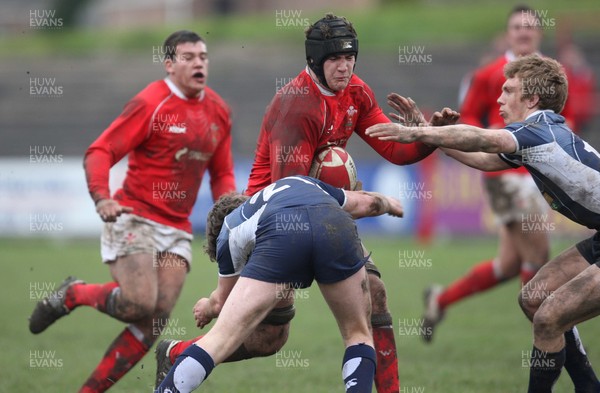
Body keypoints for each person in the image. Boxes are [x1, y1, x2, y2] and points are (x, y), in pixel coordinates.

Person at [154, 14, 458, 393]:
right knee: (270, 338)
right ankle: (178, 353)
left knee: (375, 295)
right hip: (273, 220)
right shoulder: (296, 107)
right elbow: (291, 191)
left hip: (320, 211)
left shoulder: (356, 93)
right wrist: (355, 196)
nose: (344, 66)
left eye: (349, 58)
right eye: (333, 59)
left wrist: (427, 136)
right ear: (315, 60)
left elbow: (394, 148)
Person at [366, 54, 600, 393]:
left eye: (509, 91)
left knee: (549, 319)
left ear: (532, 99)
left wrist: (412, 132)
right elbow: (485, 160)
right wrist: (431, 134)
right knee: (534, 297)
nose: (500, 99)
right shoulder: (538, 132)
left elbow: (484, 139)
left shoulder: (539, 129)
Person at [28, 30, 236, 392]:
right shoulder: (151, 102)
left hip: (176, 228)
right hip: (134, 215)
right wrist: (102, 197)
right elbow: (100, 151)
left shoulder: (218, 110)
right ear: (169, 65)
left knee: (154, 321)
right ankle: (74, 293)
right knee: (139, 301)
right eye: (188, 57)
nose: (198, 62)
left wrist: (231, 212)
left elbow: (221, 172)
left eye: (203, 56)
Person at [155, 175, 404, 393]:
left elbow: (221, 302)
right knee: (358, 335)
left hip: (282, 236)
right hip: (334, 224)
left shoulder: (228, 230)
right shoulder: (299, 182)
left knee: (218, 341)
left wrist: (206, 306)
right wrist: (390, 203)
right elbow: (366, 203)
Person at [421, 4, 566, 344]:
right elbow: (467, 119)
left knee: (509, 264)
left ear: (539, 33)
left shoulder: (552, 75)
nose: (524, 33)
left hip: (541, 171)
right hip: (505, 174)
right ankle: (547, 337)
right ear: (508, 33)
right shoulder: (489, 74)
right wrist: (498, 140)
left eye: (530, 27)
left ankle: (439, 299)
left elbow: (567, 116)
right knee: (539, 257)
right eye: (517, 27)